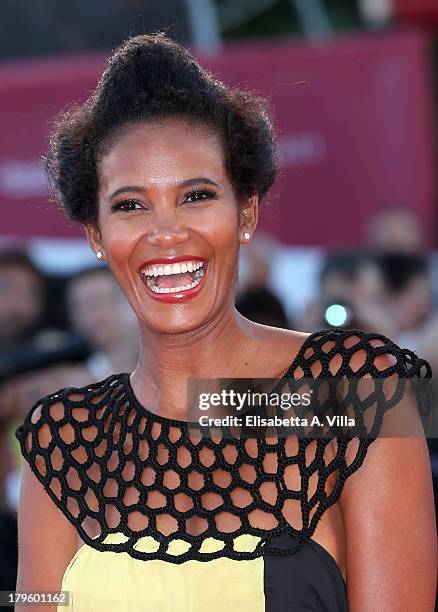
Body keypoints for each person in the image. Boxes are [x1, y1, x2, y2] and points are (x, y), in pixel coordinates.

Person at [14, 34, 436, 611]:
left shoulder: (360, 391)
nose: (166, 233)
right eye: (130, 205)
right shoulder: (62, 439)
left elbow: (216, 406)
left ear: (247, 212)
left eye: (196, 195)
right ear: (95, 236)